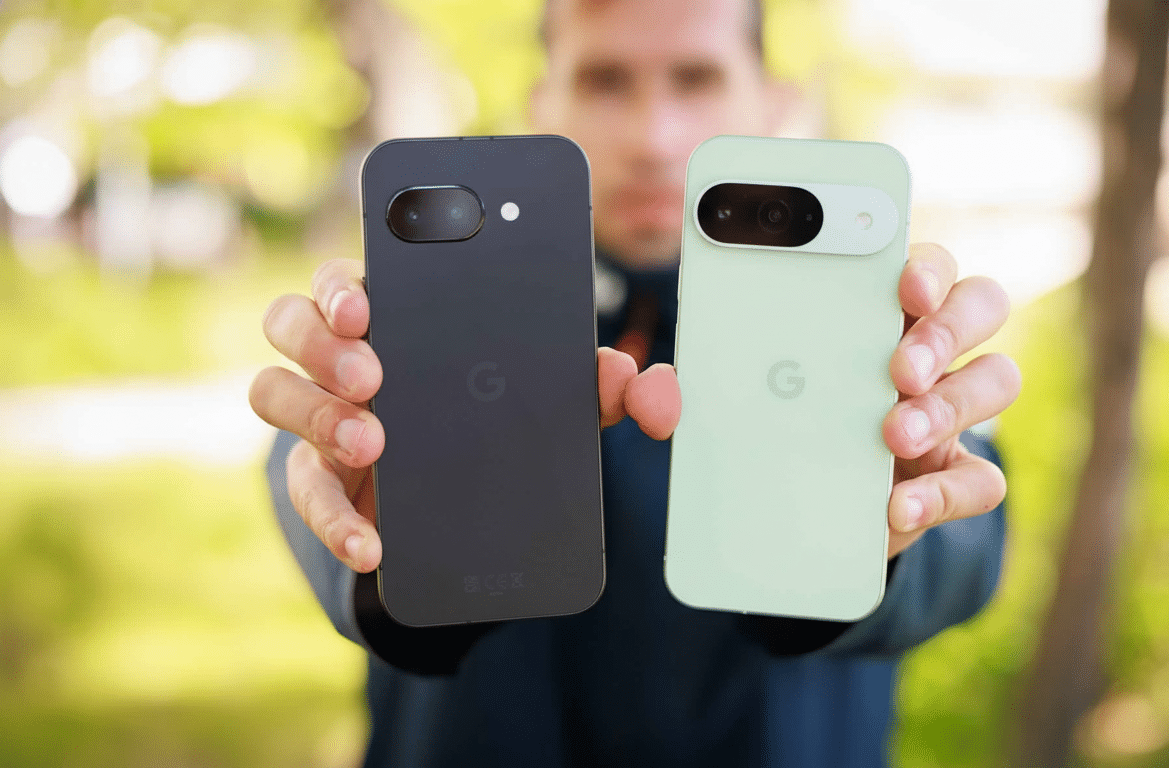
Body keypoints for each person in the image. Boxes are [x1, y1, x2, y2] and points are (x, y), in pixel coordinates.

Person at [248, 0, 1022, 765]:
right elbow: (314, 494)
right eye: (605, 80)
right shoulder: (417, 323)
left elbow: (966, 543)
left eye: (697, 78)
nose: (654, 137)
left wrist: (888, 530)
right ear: (541, 104)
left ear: (773, 101)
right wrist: (379, 539)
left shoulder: (872, 327)